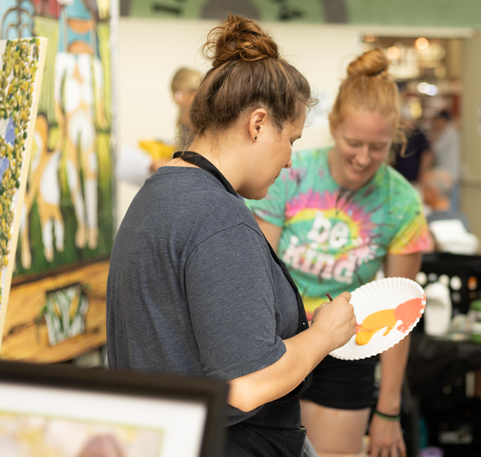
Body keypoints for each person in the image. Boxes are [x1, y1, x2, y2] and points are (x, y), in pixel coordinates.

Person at [107, 14, 356, 457]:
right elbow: (246, 384)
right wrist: (324, 336)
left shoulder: (157, 195)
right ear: (258, 124)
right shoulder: (219, 220)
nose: (289, 162)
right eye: (292, 140)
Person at [246, 48, 431, 457]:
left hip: (347, 355)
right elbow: (256, 279)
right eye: (353, 142)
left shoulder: (400, 202)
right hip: (278, 346)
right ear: (332, 126)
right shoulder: (288, 174)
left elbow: (403, 313)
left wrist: (388, 411)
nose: (363, 158)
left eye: (378, 147)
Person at [422, 168, 477, 255]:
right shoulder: (463, 220)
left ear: (433, 192)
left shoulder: (424, 222)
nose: (421, 192)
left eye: (424, 188)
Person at [392, 103, 432, 184]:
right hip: (399, 178)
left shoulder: (418, 134)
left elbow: (427, 155)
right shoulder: (398, 135)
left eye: (403, 120)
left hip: (413, 179)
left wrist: (420, 178)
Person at [430, 110, 460, 210]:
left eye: (438, 121)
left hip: (449, 176)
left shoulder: (448, 132)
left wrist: (435, 133)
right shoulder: (451, 131)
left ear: (443, 121)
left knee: (450, 206)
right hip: (449, 175)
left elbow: (434, 149)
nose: (437, 124)